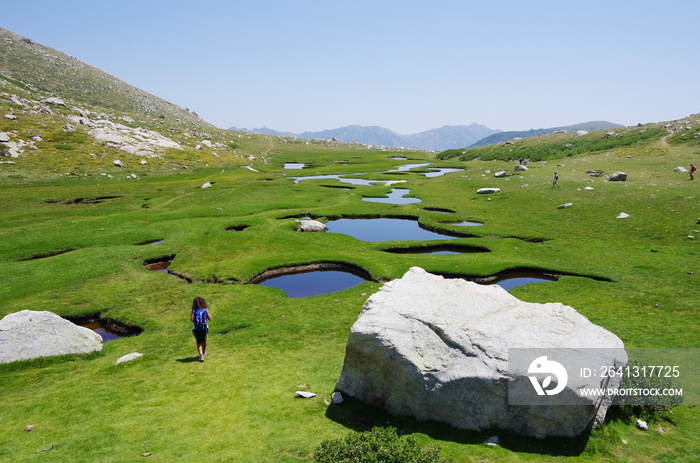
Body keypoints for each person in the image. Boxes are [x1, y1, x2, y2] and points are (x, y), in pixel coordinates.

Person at [191, 296, 212, 362]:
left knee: (199, 342)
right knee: (204, 340)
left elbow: (192, 319)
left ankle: (201, 355)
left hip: (196, 328)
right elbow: (210, 318)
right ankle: (204, 351)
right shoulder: (205, 309)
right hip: (205, 328)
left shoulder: (194, 310)